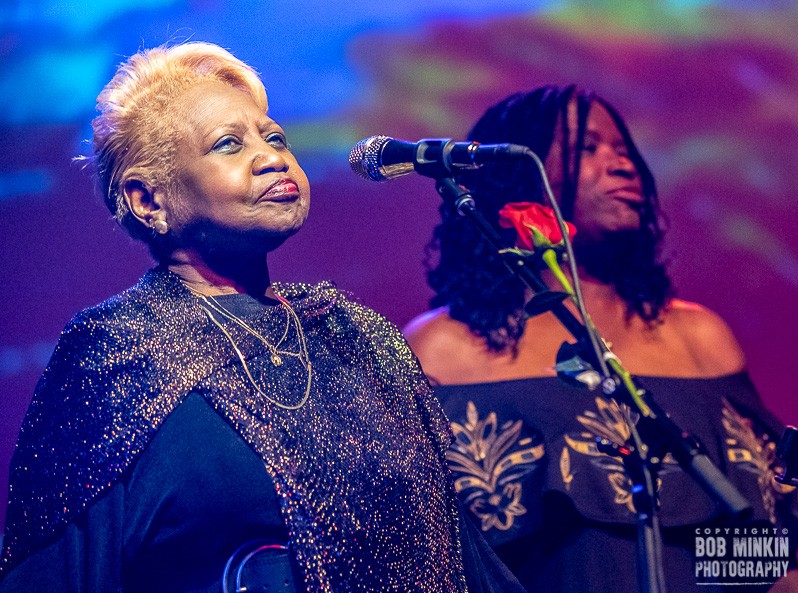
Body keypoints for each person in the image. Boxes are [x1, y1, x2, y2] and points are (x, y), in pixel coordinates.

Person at [0, 42, 523, 593]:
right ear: (147, 200)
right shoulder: (116, 352)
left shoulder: (355, 337)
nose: (273, 156)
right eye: (229, 144)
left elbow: (465, 558)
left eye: (275, 138)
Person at [404, 85, 798, 592]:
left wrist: (773, 580)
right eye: (588, 149)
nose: (622, 165)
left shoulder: (697, 337)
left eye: (624, 150)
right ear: (519, 177)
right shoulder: (444, 348)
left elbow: (739, 534)